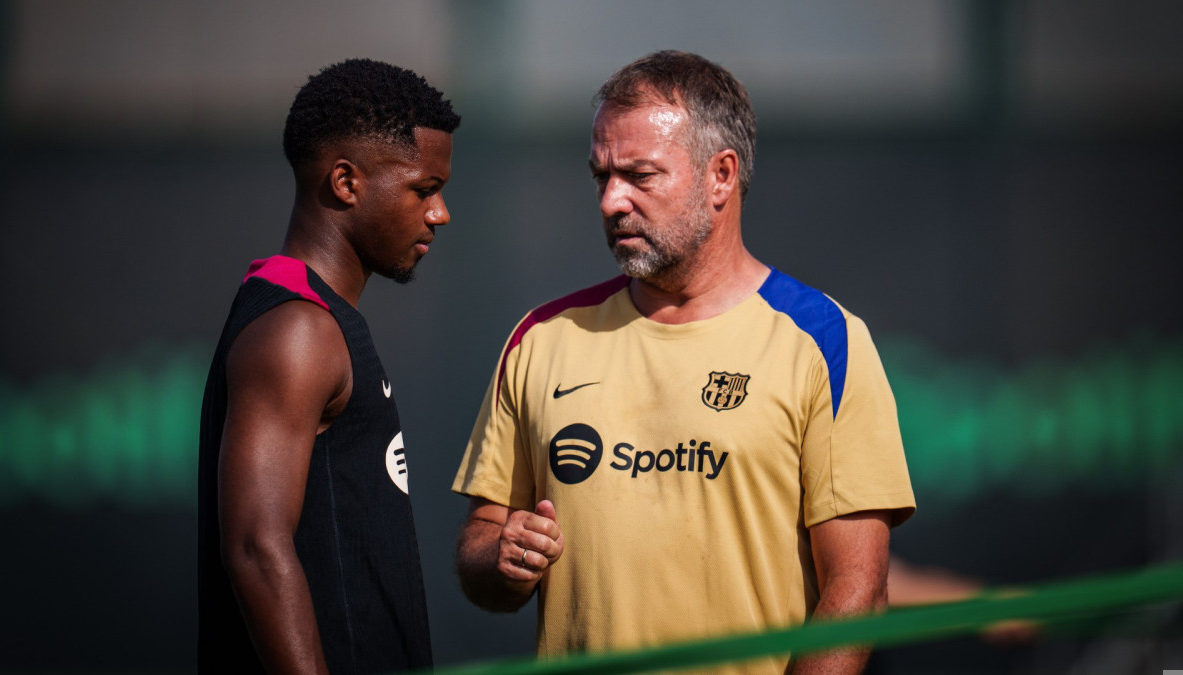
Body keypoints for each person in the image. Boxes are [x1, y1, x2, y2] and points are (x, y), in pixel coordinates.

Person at [452, 50, 915, 674]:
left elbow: (857, 591)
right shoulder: (542, 337)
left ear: (721, 175)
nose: (611, 201)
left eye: (639, 176)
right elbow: (480, 544)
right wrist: (501, 557)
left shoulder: (824, 340)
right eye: (601, 176)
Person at [197, 58, 459, 674]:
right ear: (345, 182)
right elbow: (256, 548)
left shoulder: (315, 320)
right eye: (423, 188)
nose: (440, 212)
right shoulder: (298, 330)